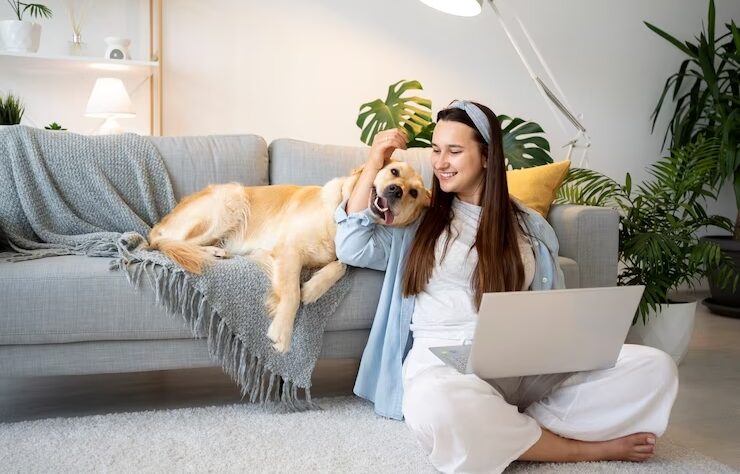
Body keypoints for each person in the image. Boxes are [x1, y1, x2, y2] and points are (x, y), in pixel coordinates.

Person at [334, 99, 678, 473]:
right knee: (441, 406)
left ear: (486, 156)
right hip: (443, 367)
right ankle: (573, 448)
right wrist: (374, 163)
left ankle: (505, 428)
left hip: (521, 364)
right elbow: (351, 245)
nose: (440, 162)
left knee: (655, 367)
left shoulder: (529, 226)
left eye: (454, 151)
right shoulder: (419, 219)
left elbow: (551, 311)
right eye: (435, 150)